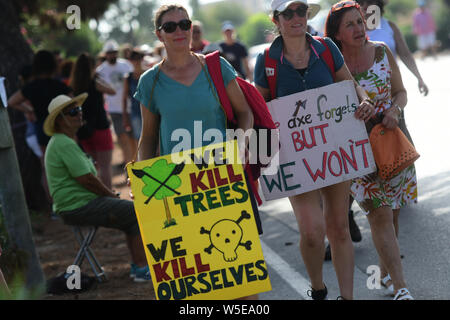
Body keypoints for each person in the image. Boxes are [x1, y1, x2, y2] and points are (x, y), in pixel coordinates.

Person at [254, 0, 376, 300]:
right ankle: (319, 289)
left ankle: (347, 297)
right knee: (311, 232)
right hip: (297, 158)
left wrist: (363, 99)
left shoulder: (325, 49)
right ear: (276, 19)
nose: (297, 17)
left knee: (338, 228)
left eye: (301, 11)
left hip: (336, 149)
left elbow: (349, 85)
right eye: (289, 13)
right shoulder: (267, 60)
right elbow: (260, 107)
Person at [133, 4, 256, 299]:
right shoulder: (149, 82)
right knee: (199, 286)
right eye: (170, 27)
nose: (179, 31)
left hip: (222, 182)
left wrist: (241, 144)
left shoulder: (216, 67)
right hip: (178, 192)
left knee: (242, 280)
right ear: (159, 35)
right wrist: (142, 179)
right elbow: (148, 138)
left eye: (184, 24)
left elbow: (245, 114)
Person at [325, 0, 416, 300]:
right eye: (349, 24)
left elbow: (401, 92)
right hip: (357, 155)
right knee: (379, 214)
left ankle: (386, 275)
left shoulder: (381, 51)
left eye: (360, 22)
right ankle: (402, 287)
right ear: (336, 33)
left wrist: (395, 110)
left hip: (391, 144)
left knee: (393, 216)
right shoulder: (331, 66)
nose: (358, 28)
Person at [43, 94, 150, 282]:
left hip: (75, 204)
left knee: (129, 215)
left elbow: (86, 177)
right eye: (73, 112)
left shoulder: (64, 141)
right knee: (135, 212)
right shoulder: (63, 143)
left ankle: (138, 266)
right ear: (60, 120)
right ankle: (141, 268)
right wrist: (111, 195)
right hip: (77, 206)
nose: (79, 114)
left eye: (80, 110)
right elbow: (87, 180)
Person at [7, 50, 72, 215]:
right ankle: (72, 201)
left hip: (42, 129)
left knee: (46, 168)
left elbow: (11, 101)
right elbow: (73, 102)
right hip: (62, 128)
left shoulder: (31, 87)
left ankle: (55, 207)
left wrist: (29, 110)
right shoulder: (59, 85)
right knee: (68, 165)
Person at [356, 0, 429, 96]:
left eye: (369, 2)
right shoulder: (354, 31)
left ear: (378, 4)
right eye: (360, 2)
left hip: (392, 90)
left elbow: (405, 54)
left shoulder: (390, 26)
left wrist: (419, 78)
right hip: (363, 94)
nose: (365, 6)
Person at [70, 52, 116, 189]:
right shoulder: (95, 83)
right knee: (105, 166)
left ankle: (99, 195)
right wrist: (97, 78)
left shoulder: (74, 85)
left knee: (93, 167)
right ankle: (110, 198)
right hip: (101, 127)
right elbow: (112, 90)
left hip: (84, 129)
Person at [96, 40, 135, 166]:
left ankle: (134, 162)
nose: (112, 55)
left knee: (132, 138)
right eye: (109, 53)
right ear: (105, 54)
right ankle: (128, 164)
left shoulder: (126, 65)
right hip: (114, 109)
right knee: (122, 138)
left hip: (129, 107)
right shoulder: (101, 70)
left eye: (114, 52)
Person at [123, 49, 145, 144]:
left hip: (151, 111)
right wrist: (125, 117)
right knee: (138, 140)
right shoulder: (128, 77)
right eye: (133, 59)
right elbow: (124, 98)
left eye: (138, 58)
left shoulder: (149, 74)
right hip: (135, 113)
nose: (136, 61)